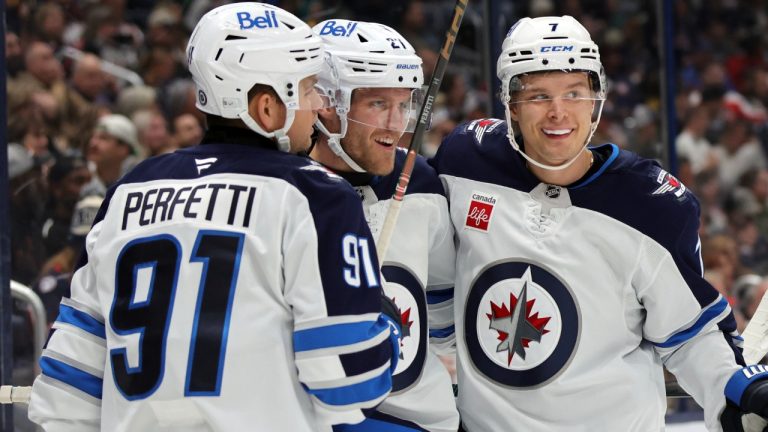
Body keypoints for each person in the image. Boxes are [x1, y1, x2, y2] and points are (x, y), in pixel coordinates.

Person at [28, 4, 400, 431]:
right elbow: (351, 381)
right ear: (267, 108)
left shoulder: (130, 190)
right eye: (308, 87)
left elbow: (65, 391)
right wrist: (383, 321)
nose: (318, 104)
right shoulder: (315, 196)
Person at [430, 15, 768, 431]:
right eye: (538, 96)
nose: (558, 113)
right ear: (511, 106)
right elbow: (437, 288)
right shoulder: (466, 160)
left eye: (574, 92)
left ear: (596, 99)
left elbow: (689, 333)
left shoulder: (651, 205)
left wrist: (735, 391)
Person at [310, 20, 459, 432]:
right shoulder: (283, 192)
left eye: (404, 104)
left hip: (413, 423)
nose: (396, 125)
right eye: (377, 104)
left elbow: (443, 315)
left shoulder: (422, 184)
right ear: (327, 102)